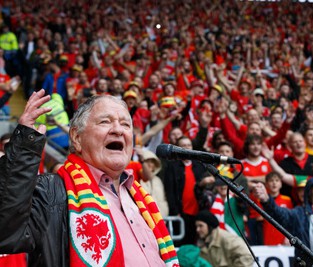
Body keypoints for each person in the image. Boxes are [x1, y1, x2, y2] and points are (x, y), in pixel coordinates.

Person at [0, 89, 179, 266]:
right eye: (105, 122)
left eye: (126, 124)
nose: (118, 130)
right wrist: (24, 147)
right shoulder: (51, 192)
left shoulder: (141, 197)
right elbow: (6, 232)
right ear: (77, 138)